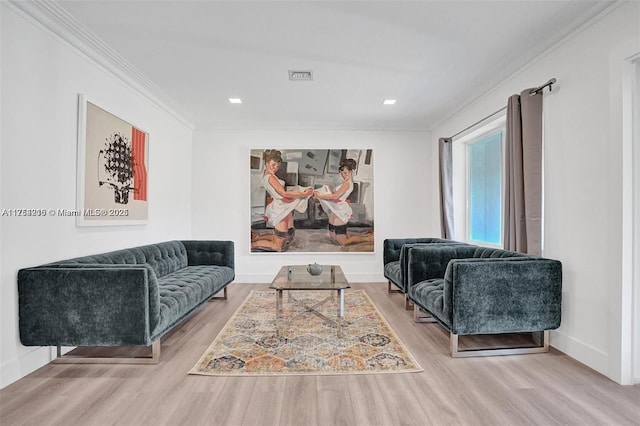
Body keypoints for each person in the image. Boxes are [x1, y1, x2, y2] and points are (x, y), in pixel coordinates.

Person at [251, 149, 313, 252]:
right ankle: (253, 244)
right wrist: (303, 194)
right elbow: (283, 193)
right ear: (267, 163)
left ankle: (258, 238)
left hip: (282, 205)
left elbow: (282, 193)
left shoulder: (269, 174)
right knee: (279, 247)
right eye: (273, 165)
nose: (275, 168)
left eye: (277, 166)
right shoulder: (270, 177)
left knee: (287, 236)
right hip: (280, 207)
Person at [313, 158, 374, 246]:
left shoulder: (347, 183)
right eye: (342, 173)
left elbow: (335, 196)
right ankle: (360, 235)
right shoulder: (345, 183)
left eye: (345, 173)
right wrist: (328, 189)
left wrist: (320, 196)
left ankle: (367, 238)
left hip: (341, 210)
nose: (343, 175)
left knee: (342, 242)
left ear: (351, 171)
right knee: (333, 236)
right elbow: (336, 194)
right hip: (336, 208)